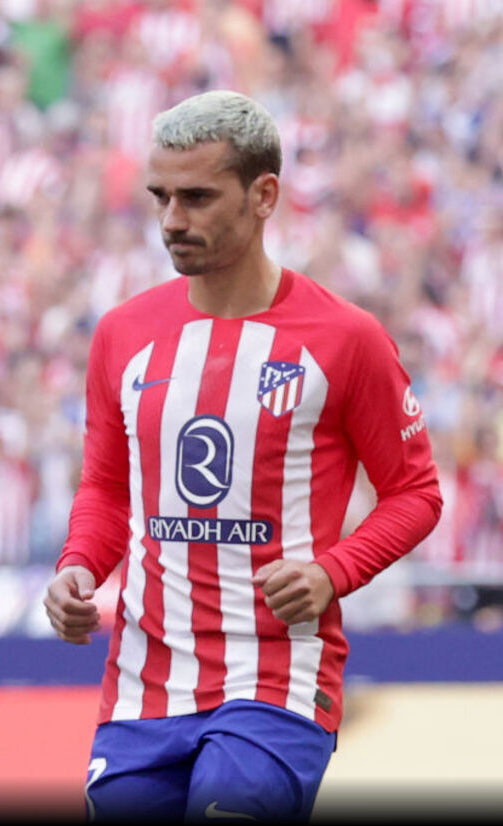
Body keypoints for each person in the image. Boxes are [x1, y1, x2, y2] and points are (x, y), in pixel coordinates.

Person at [43, 90, 441, 823]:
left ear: (264, 196)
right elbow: (105, 486)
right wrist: (78, 566)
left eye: (196, 197)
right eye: (161, 196)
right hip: (143, 683)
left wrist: (332, 572)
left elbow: (416, 493)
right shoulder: (123, 335)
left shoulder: (344, 339)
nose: (171, 219)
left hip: (277, 681)